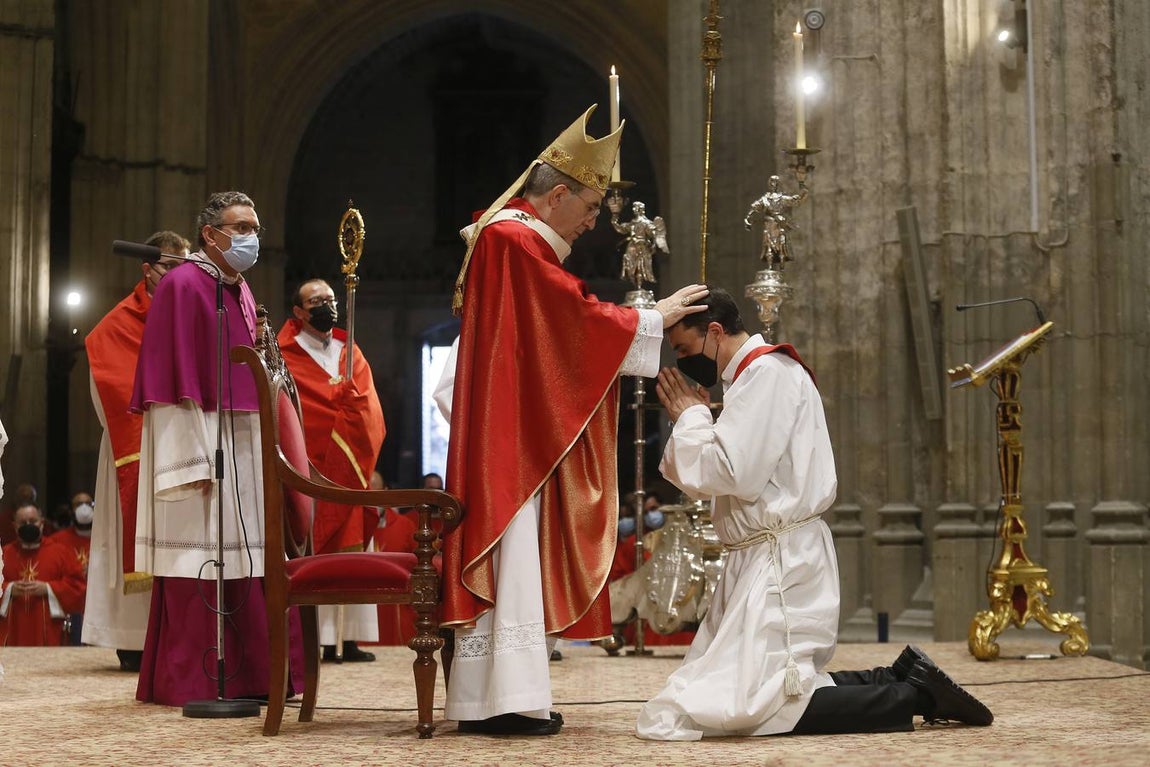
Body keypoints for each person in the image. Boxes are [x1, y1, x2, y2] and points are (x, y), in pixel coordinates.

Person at [435, 104, 709, 736]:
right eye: (589, 208)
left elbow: (551, 335)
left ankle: (493, 699)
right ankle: (509, 702)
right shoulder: (515, 240)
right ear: (556, 194)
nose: (593, 223)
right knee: (515, 555)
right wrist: (652, 316)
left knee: (515, 561)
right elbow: (574, 322)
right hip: (510, 441)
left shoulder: (507, 241)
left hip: (508, 428)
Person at [636, 287, 993, 740]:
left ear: (714, 331)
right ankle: (897, 677)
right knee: (737, 690)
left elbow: (730, 474)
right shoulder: (750, 378)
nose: (683, 362)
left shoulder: (768, 374)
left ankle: (917, 696)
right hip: (761, 555)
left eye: (684, 349)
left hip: (781, 558)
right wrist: (697, 418)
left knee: (752, 705)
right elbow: (717, 476)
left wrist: (691, 418)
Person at [130, 191, 303, 705]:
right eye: (241, 226)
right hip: (201, 439)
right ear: (210, 234)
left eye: (256, 226)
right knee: (203, 560)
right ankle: (198, 679)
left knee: (248, 559)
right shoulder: (183, 285)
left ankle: (254, 676)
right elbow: (172, 377)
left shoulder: (241, 288)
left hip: (246, 442)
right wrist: (192, 459)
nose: (252, 236)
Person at [84, 230, 187, 670]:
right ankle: (131, 640)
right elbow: (106, 387)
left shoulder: (191, 317)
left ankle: (180, 637)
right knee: (131, 541)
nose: (178, 277)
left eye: (185, 268)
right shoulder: (117, 324)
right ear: (147, 270)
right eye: (169, 267)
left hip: (184, 450)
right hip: (134, 451)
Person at [278, 278, 386, 662]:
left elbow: (369, 404)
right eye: (315, 300)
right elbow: (288, 407)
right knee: (312, 548)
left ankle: (351, 638)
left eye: (330, 298)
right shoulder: (284, 353)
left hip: (350, 464)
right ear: (298, 312)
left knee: (353, 545)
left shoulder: (348, 348)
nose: (326, 305)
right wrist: (333, 408)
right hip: (307, 466)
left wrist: (352, 409)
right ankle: (318, 639)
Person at [0, 503, 87, 645]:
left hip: (49, 632)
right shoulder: (3, 555)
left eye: (33, 521)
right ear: (14, 526)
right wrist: (9, 589)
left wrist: (48, 588)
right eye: (23, 522)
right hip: (11, 632)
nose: (28, 525)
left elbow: (78, 587)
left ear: (41, 523)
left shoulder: (61, 553)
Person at [50, 491, 95, 644]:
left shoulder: (105, 538)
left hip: (96, 602)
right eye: (78, 504)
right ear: (71, 510)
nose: (84, 508)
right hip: (72, 606)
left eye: (88, 504)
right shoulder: (57, 541)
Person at [743, 175, 808, 269]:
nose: (774, 184)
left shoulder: (782, 198)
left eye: (776, 182)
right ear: (769, 184)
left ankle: (782, 264)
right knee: (768, 246)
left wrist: (802, 192)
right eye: (772, 182)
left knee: (782, 246)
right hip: (769, 225)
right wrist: (748, 218)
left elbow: (795, 201)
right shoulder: (765, 199)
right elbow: (754, 207)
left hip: (779, 225)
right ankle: (770, 266)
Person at [607, 199, 668, 288]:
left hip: (642, 247)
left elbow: (654, 234)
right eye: (633, 208)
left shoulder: (646, 223)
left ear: (640, 209)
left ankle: (639, 287)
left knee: (640, 268)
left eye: (635, 208)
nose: (634, 210)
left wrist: (654, 243)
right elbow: (621, 229)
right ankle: (635, 285)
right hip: (632, 247)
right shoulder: (632, 223)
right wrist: (614, 219)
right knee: (630, 267)